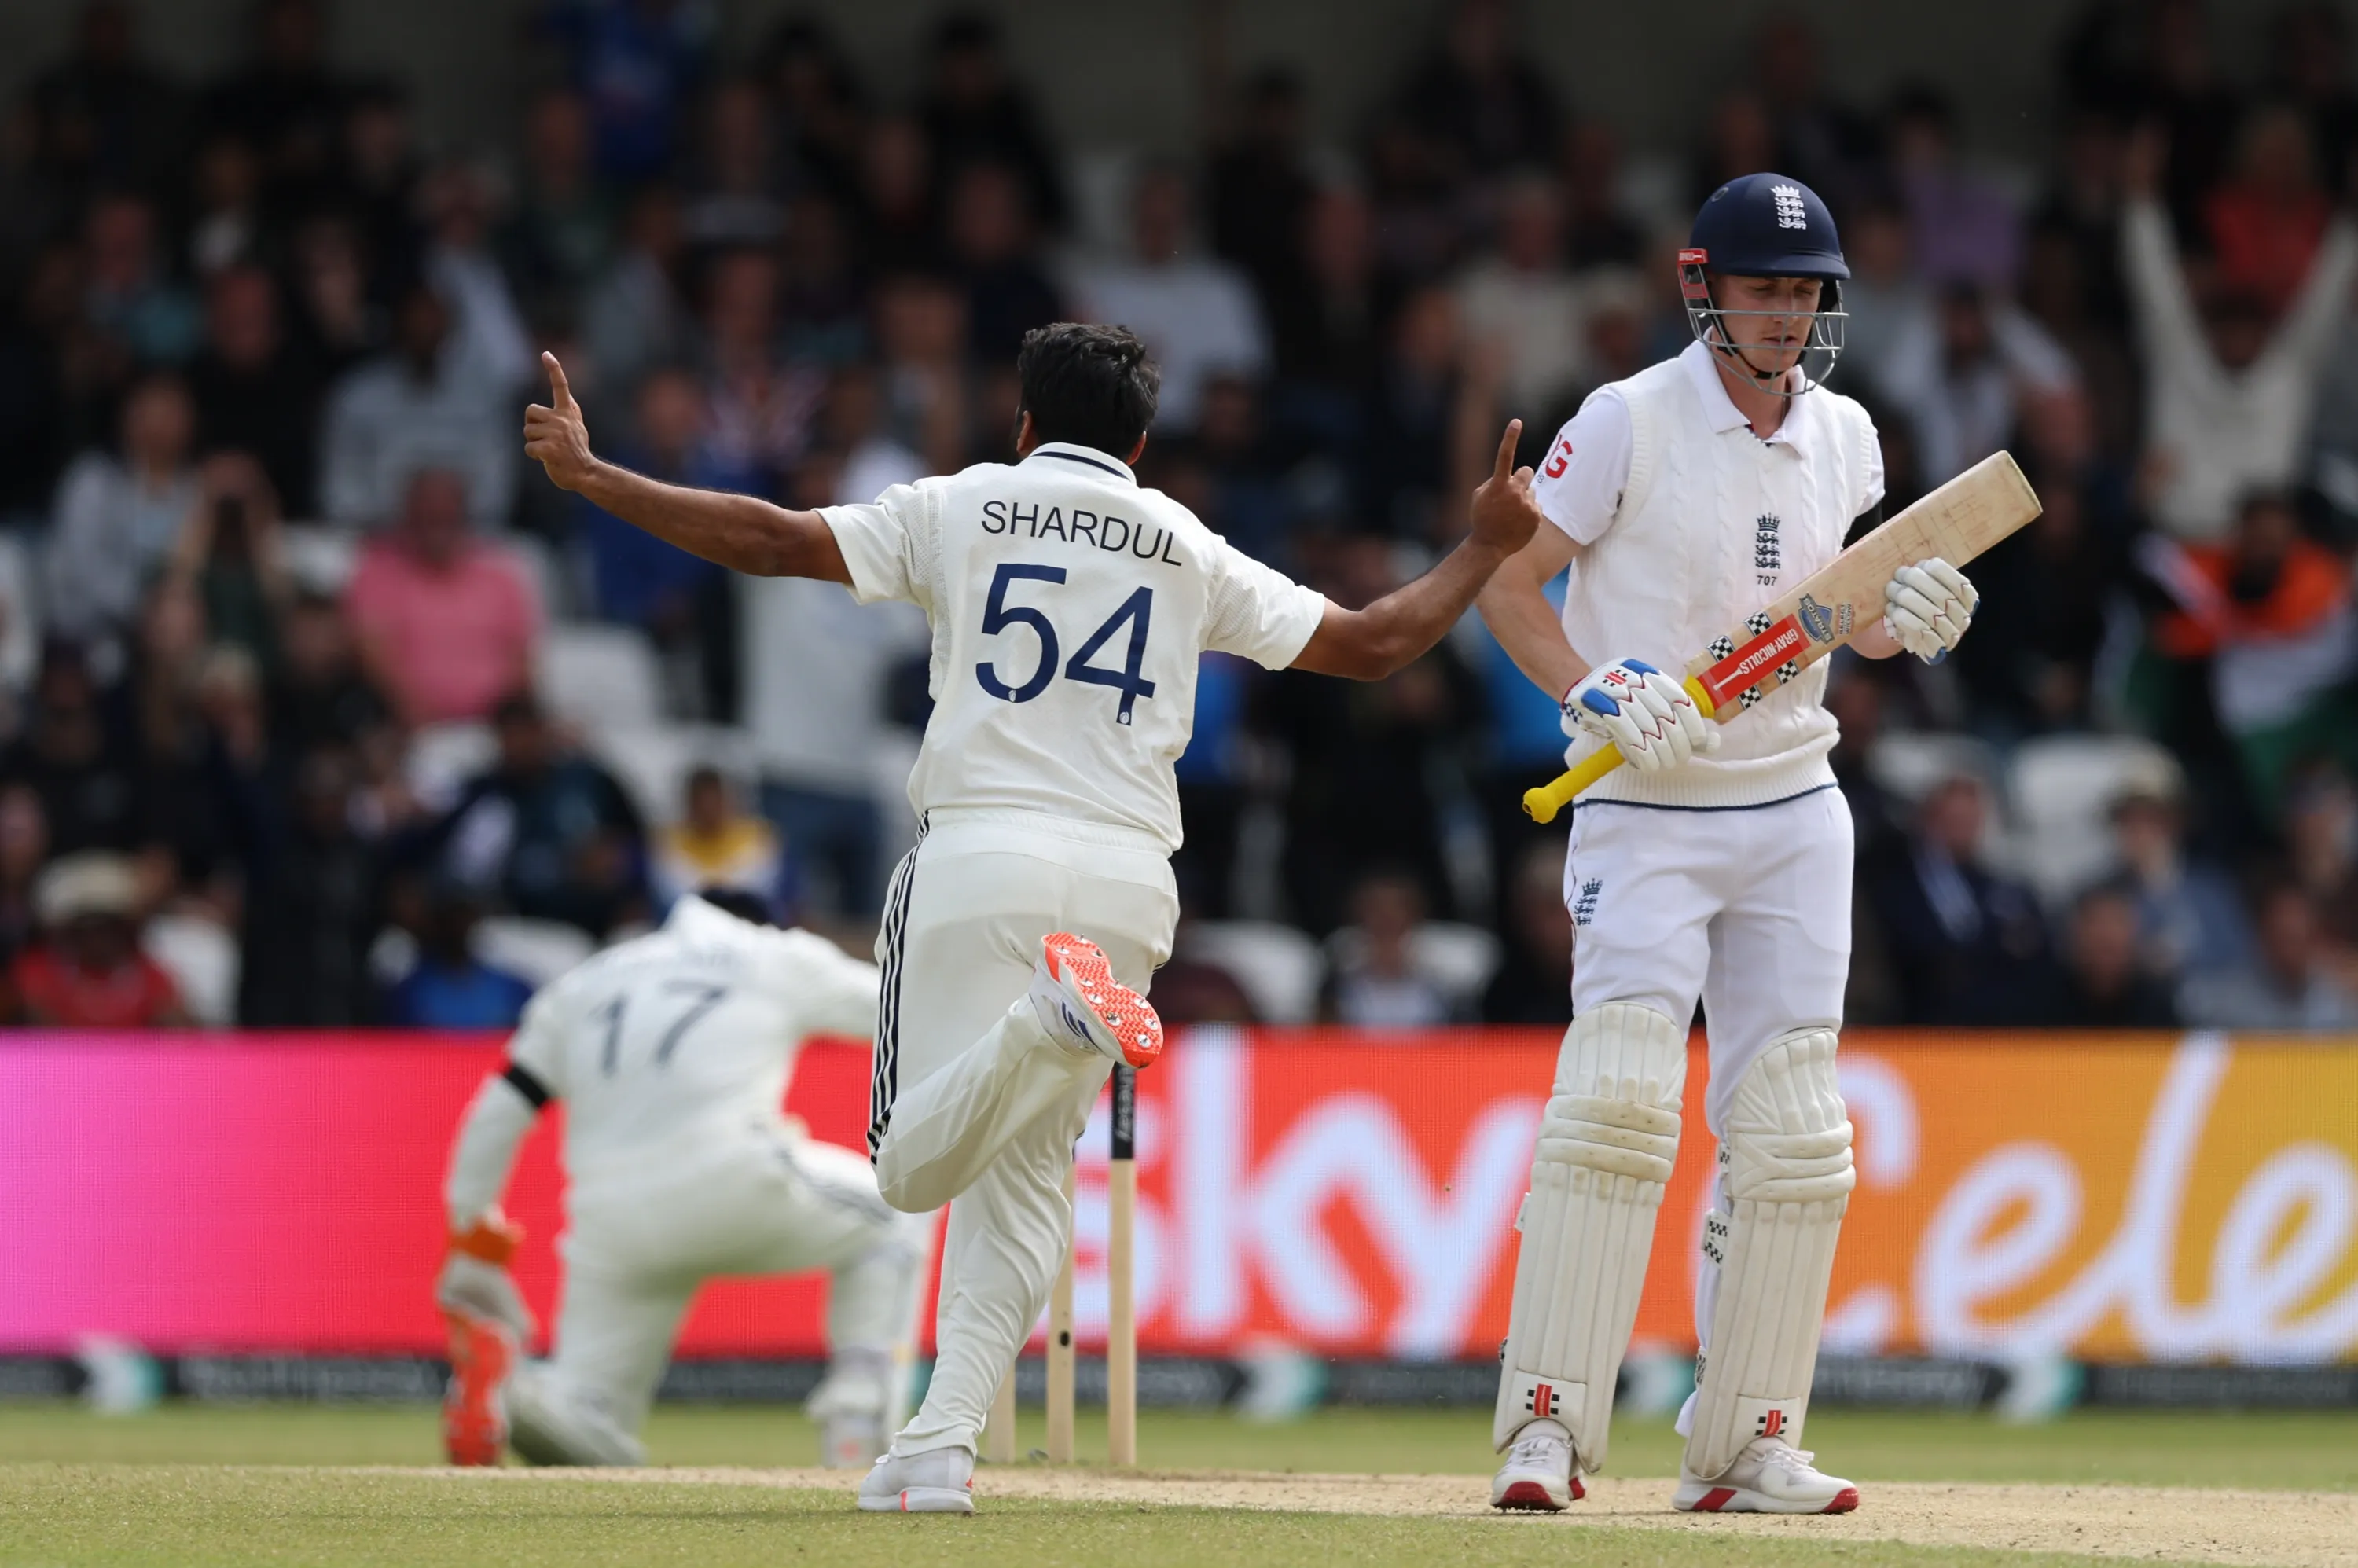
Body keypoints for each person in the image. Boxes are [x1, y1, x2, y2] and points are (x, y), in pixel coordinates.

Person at [521, 319, 1544, 1512]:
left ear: (1022, 422)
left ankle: (1040, 1027)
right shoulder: (1183, 541)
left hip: (981, 853)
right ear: (1144, 441)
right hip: (1127, 883)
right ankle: (941, 1444)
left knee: (907, 1171)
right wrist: (1479, 546)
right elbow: (1376, 644)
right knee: (1028, 1181)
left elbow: (769, 539)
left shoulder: (964, 504)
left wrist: (595, 479)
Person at [1473, 174, 1983, 1516]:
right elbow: (1511, 590)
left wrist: (1909, 613)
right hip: (1647, 804)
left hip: (1795, 810)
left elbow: (1835, 618)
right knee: (1619, 1102)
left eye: (1805, 289)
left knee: (1796, 1135)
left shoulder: (1851, 437)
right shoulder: (1625, 420)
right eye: (1761, 285)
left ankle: (1748, 1438)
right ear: (1707, 288)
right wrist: (1592, 694)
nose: (1784, 311)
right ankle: (1546, 1426)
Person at [435, 887, 929, 1471]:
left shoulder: (586, 981)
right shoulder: (772, 953)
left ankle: (515, 1387)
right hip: (730, 1175)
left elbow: (501, 1108)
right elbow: (910, 1013)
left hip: (609, 1226)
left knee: (584, 1416)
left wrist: (473, 1237)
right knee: (902, 1203)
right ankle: (859, 1418)